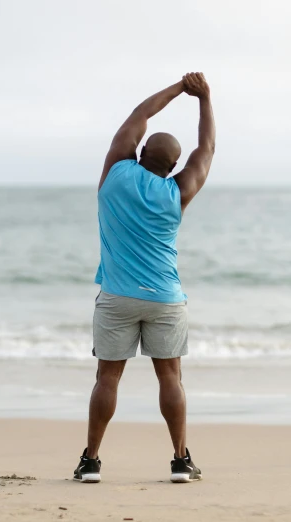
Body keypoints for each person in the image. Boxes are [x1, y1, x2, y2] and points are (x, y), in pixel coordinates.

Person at [73, 73, 216, 484]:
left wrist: (177, 88)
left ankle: (91, 462)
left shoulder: (115, 173)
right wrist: (204, 98)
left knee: (107, 377)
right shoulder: (178, 192)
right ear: (172, 166)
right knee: (170, 377)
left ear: (140, 152)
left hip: (117, 296)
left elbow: (140, 114)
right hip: (165, 299)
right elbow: (206, 149)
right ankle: (180, 460)